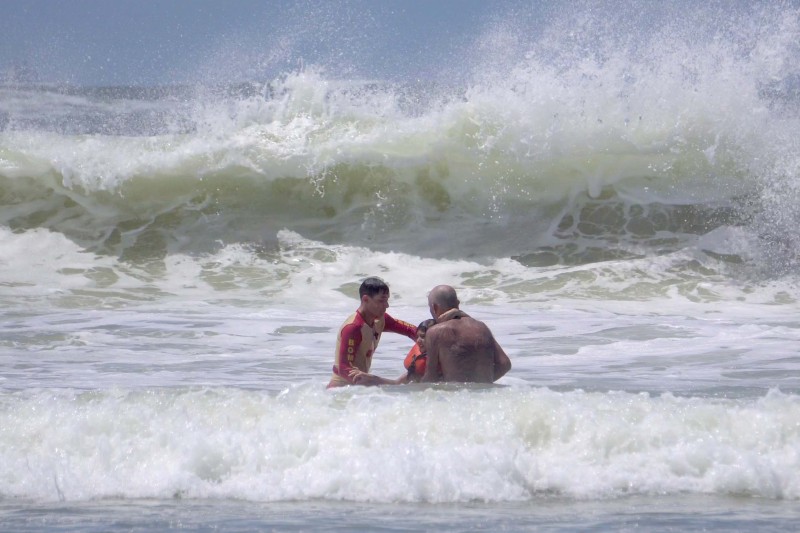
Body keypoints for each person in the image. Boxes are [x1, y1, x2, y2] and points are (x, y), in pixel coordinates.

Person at [327, 277, 417, 388]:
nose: (387, 305)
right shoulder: (353, 327)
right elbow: (344, 368)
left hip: (360, 389)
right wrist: (384, 381)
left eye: (387, 300)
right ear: (365, 299)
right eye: (381, 301)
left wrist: (428, 339)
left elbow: (411, 330)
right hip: (341, 390)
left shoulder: (380, 319)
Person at [421, 285, 511, 383]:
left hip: (457, 396)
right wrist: (483, 384)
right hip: (487, 395)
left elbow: (430, 378)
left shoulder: (435, 332)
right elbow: (504, 364)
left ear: (434, 307)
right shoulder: (482, 327)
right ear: (458, 304)